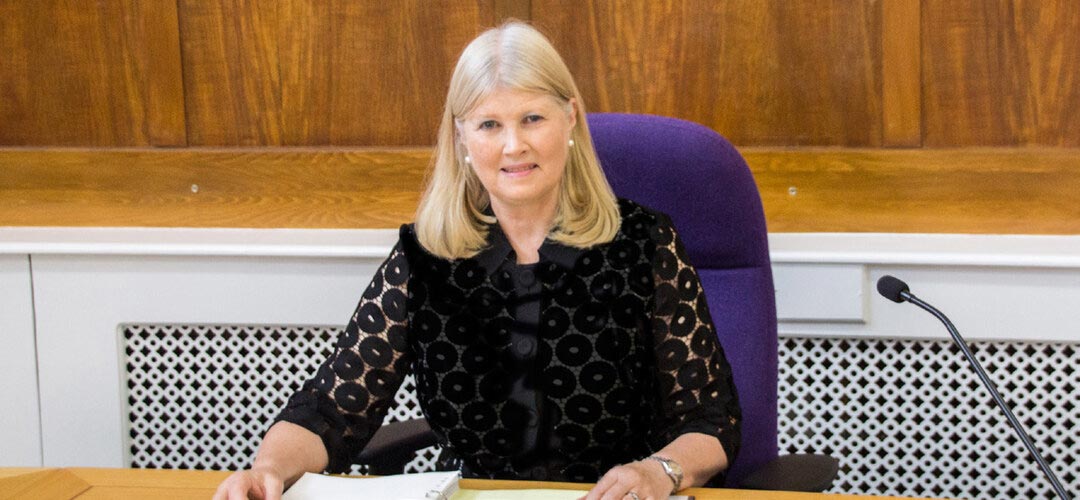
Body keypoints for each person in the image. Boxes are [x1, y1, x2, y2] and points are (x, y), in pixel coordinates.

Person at [215, 21, 741, 500]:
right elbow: (331, 410)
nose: (514, 146)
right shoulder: (427, 257)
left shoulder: (644, 244)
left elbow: (712, 422)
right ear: (462, 137)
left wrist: (661, 470)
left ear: (570, 119)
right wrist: (269, 470)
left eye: (532, 118)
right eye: (489, 125)